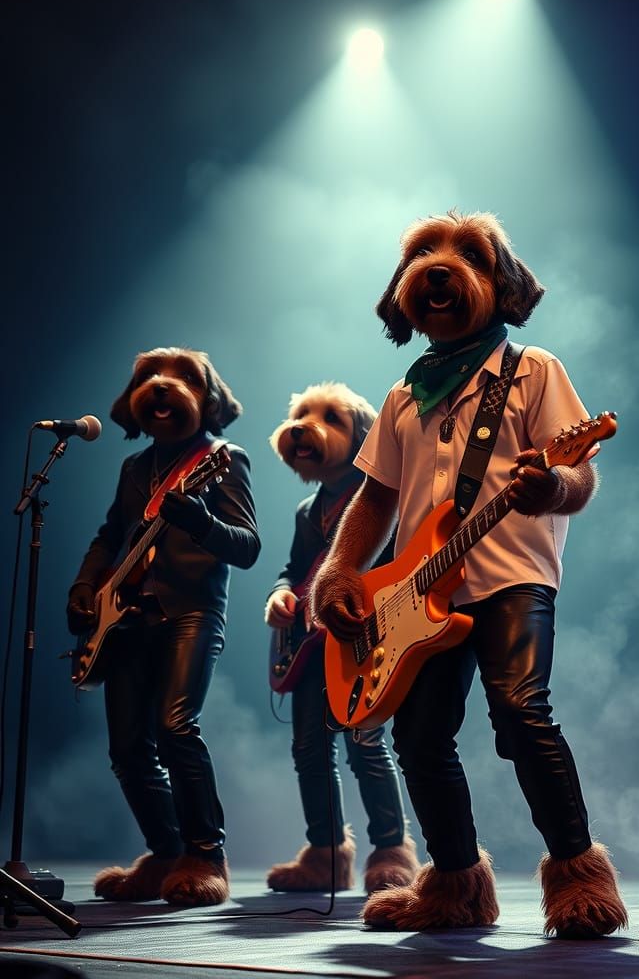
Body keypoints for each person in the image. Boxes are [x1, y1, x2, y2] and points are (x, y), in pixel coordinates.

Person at [310, 210, 628, 937]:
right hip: (420, 594)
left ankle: (579, 876)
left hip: (513, 575)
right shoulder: (401, 397)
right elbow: (377, 498)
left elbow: (578, 472)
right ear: (402, 294)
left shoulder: (534, 372)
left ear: (502, 286)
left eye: (466, 257)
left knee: (520, 712)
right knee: (419, 741)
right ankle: (454, 888)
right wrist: (338, 573)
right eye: (422, 253)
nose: (440, 265)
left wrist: (553, 488)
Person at [66, 346, 260, 907]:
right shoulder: (133, 469)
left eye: (181, 379)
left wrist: (201, 521)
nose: (160, 385)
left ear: (209, 400)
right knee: (127, 749)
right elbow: (110, 536)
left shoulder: (224, 457)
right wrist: (84, 586)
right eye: (148, 377)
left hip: (191, 612)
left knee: (175, 728)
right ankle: (166, 851)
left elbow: (247, 548)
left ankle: (205, 854)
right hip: (125, 620)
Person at [264, 381, 419, 893]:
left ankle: (391, 849)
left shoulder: (382, 498)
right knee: (308, 750)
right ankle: (324, 853)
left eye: (331, 418)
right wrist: (282, 595)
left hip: (362, 636)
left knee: (365, 745)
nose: (307, 426)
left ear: (363, 439)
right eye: (303, 414)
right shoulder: (306, 513)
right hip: (309, 649)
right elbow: (291, 570)